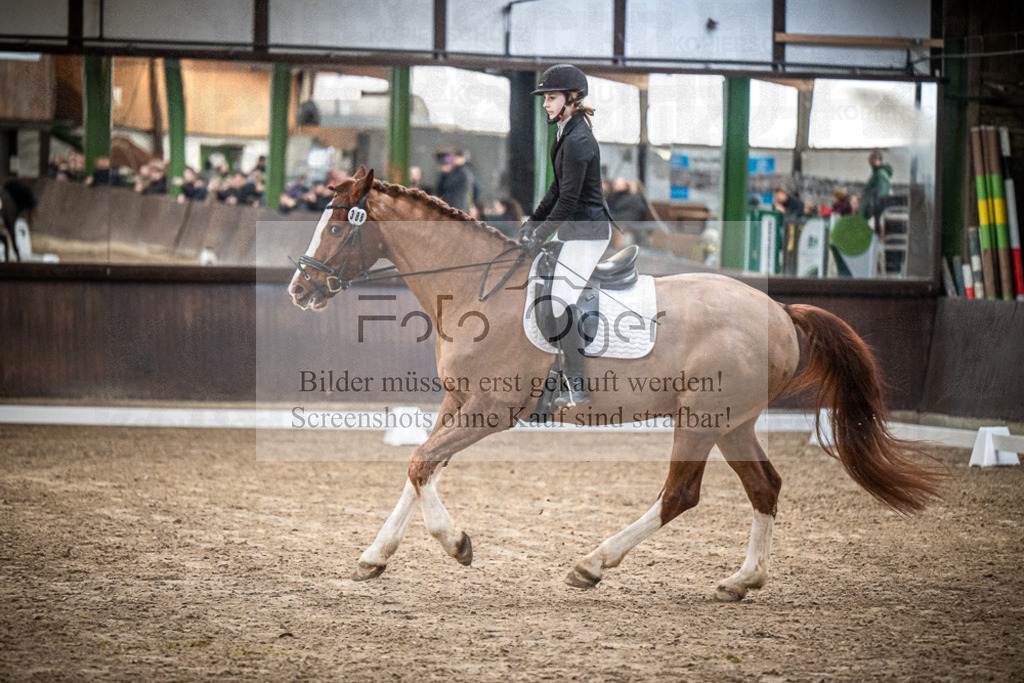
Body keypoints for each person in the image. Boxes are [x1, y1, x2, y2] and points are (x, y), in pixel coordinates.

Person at [519, 64, 611, 406]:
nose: (546, 103)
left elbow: (570, 199)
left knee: (559, 300)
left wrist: (541, 235)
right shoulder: (564, 132)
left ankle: (578, 383)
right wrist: (533, 222)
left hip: (587, 233)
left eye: (552, 98)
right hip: (573, 230)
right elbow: (556, 189)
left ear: (572, 99)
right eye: (545, 98)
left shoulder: (579, 140)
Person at [860, 148, 892, 226]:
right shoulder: (876, 174)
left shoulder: (880, 175)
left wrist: (873, 209)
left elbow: (882, 195)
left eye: (873, 158)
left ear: (879, 159)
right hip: (869, 213)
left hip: (873, 214)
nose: (870, 160)